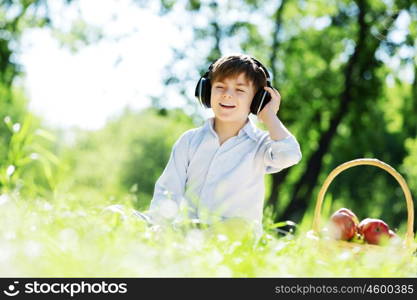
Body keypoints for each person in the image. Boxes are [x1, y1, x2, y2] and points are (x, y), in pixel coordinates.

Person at [143, 53, 302, 238]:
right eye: (220, 87)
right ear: (207, 91)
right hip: (188, 230)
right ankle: (183, 240)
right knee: (119, 213)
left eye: (240, 90)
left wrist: (269, 116)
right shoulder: (190, 141)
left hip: (232, 233)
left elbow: (290, 155)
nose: (227, 94)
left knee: (240, 227)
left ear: (257, 101)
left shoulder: (261, 145)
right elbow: (168, 189)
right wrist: (157, 224)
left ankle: (195, 242)